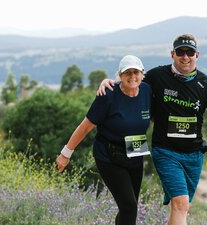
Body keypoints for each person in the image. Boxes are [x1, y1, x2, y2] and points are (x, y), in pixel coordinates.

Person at [97, 34, 207, 225]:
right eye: (180, 52)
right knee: (181, 204)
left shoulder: (206, 85)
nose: (185, 56)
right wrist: (108, 82)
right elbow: (131, 81)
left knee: (181, 207)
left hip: (194, 155)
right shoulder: (157, 76)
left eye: (190, 52)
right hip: (166, 151)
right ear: (172, 54)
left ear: (197, 55)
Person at [56, 55, 151, 225]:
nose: (132, 77)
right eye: (127, 73)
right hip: (109, 155)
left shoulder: (147, 91)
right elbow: (85, 127)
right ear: (119, 76)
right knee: (129, 206)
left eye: (136, 72)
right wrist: (66, 153)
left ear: (142, 73)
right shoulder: (107, 94)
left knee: (129, 207)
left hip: (136, 153)